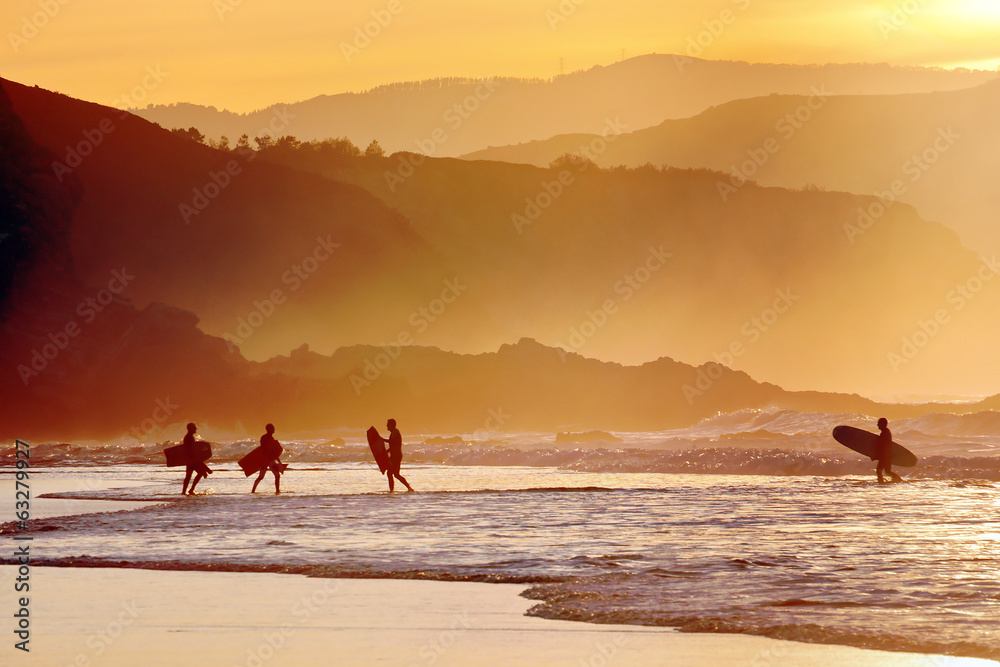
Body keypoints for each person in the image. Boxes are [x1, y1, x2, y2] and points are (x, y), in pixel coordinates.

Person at [381, 418, 414, 493]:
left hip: (396, 456)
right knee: (394, 474)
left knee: (393, 474)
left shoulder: (395, 432)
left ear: (391, 425)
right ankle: (407, 488)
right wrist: (387, 451)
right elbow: (394, 445)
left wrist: (382, 439)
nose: (386, 426)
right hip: (395, 456)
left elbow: (392, 442)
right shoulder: (393, 432)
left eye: (388, 424)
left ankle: (394, 490)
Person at [251, 423, 285, 494]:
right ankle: (277, 490)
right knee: (275, 475)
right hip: (268, 460)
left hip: (265, 459)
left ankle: (253, 490)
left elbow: (268, 450)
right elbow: (270, 450)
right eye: (272, 428)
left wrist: (278, 461)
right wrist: (278, 461)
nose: (274, 429)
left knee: (261, 476)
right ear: (269, 429)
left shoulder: (264, 437)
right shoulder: (268, 438)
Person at [181, 422, 212, 495]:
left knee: (188, 476)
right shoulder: (189, 438)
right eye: (194, 427)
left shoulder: (188, 437)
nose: (196, 428)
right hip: (192, 460)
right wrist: (206, 468)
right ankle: (190, 490)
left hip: (189, 460)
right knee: (199, 473)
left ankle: (185, 491)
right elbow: (192, 452)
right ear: (190, 429)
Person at [875, 417, 902, 484]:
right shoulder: (886, 432)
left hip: (885, 455)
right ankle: (899, 480)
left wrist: (879, 455)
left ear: (883, 424)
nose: (877, 425)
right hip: (887, 455)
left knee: (879, 470)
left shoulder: (885, 433)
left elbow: (883, 445)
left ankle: (881, 482)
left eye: (879, 423)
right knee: (887, 471)